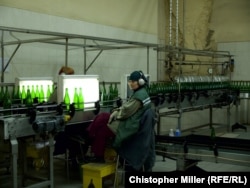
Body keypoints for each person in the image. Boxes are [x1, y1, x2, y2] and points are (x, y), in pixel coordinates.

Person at [87, 70, 155, 171]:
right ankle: (97, 152)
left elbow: (126, 111)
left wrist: (116, 112)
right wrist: (117, 111)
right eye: (130, 81)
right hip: (131, 122)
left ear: (140, 82)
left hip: (129, 126)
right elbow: (127, 108)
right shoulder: (142, 92)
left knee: (101, 121)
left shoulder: (139, 96)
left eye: (133, 81)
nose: (131, 84)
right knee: (101, 121)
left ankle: (89, 138)